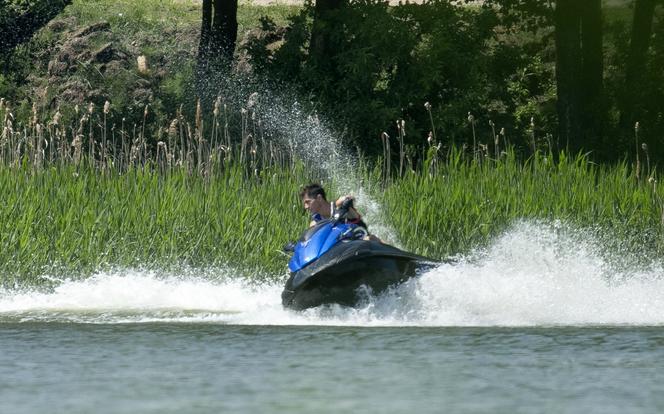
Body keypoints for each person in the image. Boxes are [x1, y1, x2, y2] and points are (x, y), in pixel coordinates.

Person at [299, 183, 377, 238]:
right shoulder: (315, 222)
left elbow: (350, 198)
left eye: (308, 202)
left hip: (358, 238)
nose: (305, 207)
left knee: (371, 238)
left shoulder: (339, 206)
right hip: (338, 251)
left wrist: (342, 202)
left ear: (319, 198)